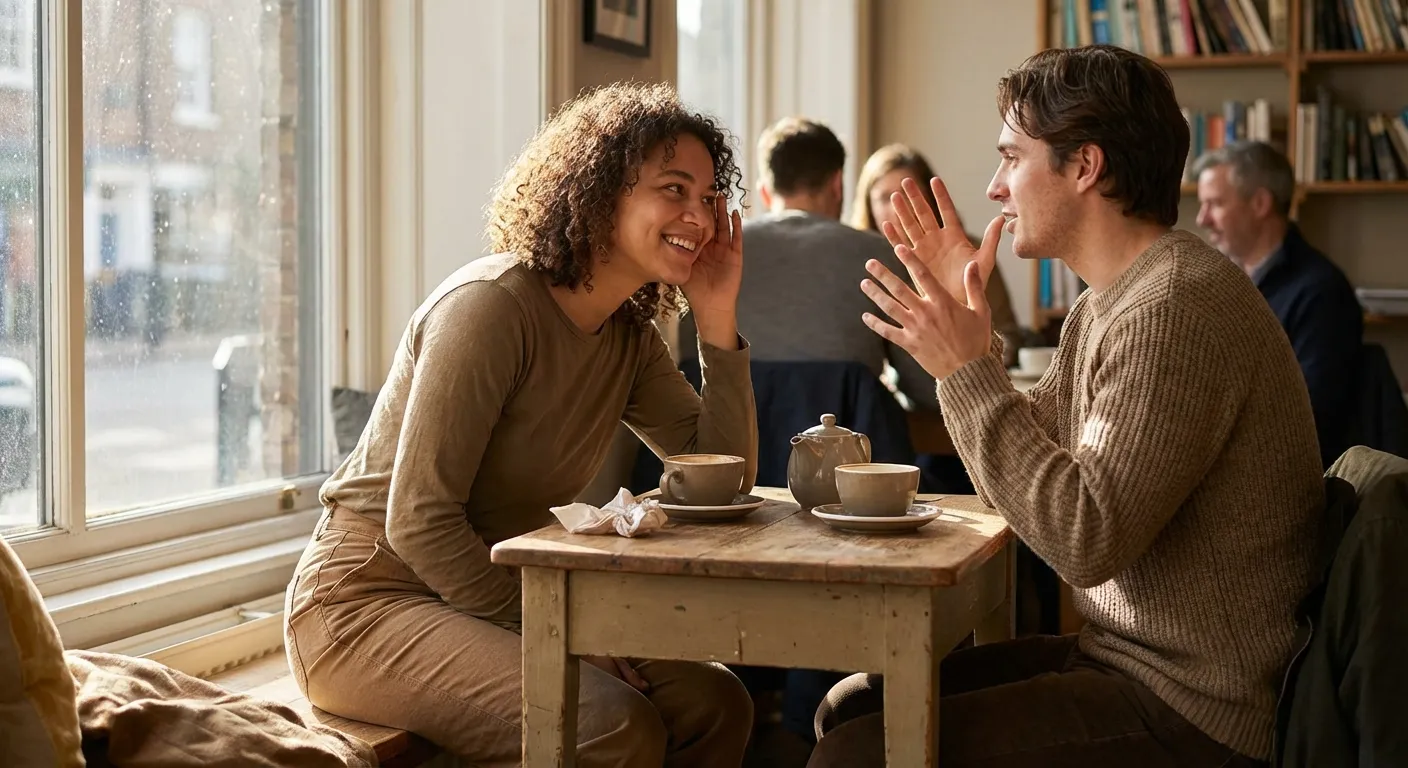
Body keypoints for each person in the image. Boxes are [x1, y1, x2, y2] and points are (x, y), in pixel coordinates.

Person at [809, 44, 1325, 767]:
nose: (994, 187)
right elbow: (1024, 484)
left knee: (857, 753)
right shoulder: (1112, 301)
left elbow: (1082, 538)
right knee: (852, 706)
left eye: (1011, 158)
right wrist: (975, 342)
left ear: (1084, 166)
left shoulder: (1173, 307)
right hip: (1126, 660)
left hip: (1194, 708)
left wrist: (962, 369)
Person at [283, 82, 758, 767]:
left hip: (492, 598)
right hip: (362, 605)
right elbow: (418, 521)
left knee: (717, 705)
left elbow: (725, 480)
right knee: (613, 725)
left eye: (709, 197)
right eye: (674, 189)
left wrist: (715, 320)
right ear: (601, 193)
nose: (702, 217)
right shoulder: (490, 309)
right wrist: (555, 630)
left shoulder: (626, 333)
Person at [678, 117, 939, 410]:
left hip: (722, 446)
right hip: (843, 449)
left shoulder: (711, 252)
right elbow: (924, 386)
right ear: (837, 184)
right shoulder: (878, 255)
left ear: (765, 191)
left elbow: (690, 374)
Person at [1193, 140, 1363, 469]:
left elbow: (1309, 423)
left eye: (1214, 204)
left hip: (1282, 480)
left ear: (1259, 203)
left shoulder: (1321, 292)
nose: (1202, 219)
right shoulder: (1219, 285)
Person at [851, 143, 1022, 349]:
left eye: (907, 194)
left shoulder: (969, 254)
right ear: (869, 206)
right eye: (885, 198)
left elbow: (1009, 336)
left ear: (929, 198)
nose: (898, 208)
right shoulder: (857, 262)